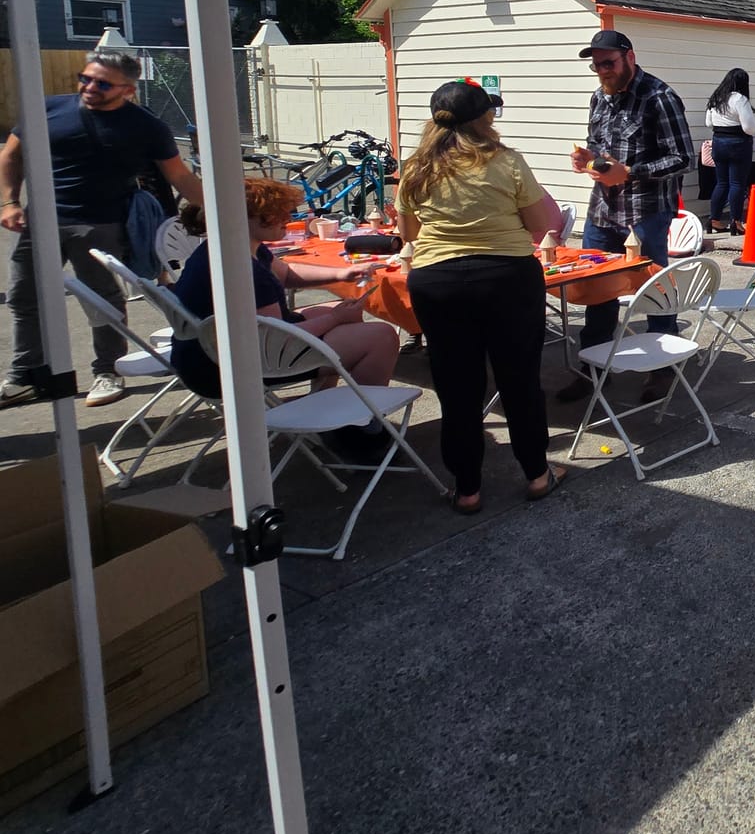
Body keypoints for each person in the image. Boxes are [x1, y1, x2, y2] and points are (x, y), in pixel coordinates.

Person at [1, 49, 205, 407]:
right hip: (40, 222)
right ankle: (24, 374)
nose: (90, 87)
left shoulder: (145, 125)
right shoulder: (47, 109)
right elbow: (11, 155)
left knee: (99, 299)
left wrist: (227, 213)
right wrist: (9, 201)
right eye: (86, 78)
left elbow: (179, 176)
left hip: (100, 224)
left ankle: (107, 370)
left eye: (102, 83)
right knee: (23, 297)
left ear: (127, 90)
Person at [399, 81, 564, 512]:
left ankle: (467, 488)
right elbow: (543, 223)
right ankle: (536, 473)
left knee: (456, 386)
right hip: (506, 275)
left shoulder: (416, 166)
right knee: (519, 379)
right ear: (484, 118)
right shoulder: (505, 161)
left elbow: (409, 235)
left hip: (437, 280)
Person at [170, 177, 398, 403]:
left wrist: (341, 274)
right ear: (248, 218)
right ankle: (359, 423)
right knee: (382, 336)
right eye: (278, 213)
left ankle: (322, 403)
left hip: (204, 356)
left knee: (336, 314)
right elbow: (280, 339)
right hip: (224, 372)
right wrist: (336, 318)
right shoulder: (246, 271)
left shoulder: (229, 248)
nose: (288, 219)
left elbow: (287, 274)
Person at [560, 29, 695, 401]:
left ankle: (662, 365)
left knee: (654, 287)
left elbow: (684, 158)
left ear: (629, 58)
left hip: (647, 210)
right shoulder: (598, 98)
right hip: (604, 209)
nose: (602, 71)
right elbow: (602, 150)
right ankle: (592, 368)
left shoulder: (660, 97)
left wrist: (631, 171)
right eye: (597, 65)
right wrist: (587, 159)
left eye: (609, 63)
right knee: (596, 286)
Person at [703, 67, 755, 237]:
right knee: (736, 184)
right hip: (738, 144)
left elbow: (708, 123)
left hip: (718, 142)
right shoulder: (740, 99)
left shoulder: (716, 98)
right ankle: (736, 222)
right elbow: (750, 128)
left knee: (722, 183)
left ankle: (714, 220)